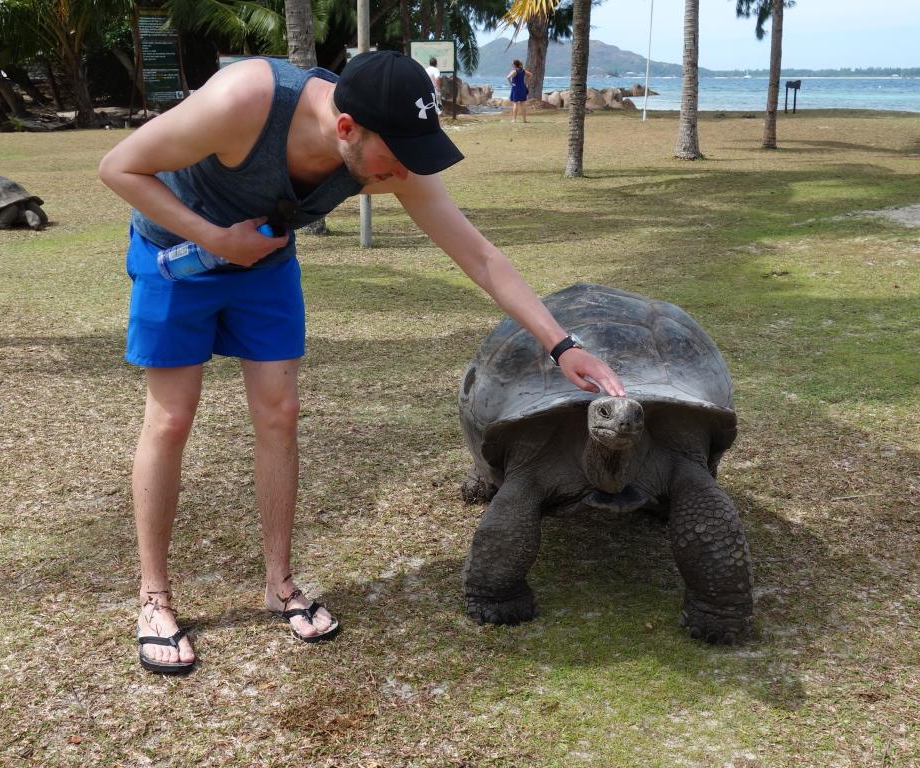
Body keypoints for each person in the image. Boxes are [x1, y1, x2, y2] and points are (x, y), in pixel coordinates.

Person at [99, 50, 624, 675]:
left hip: (263, 265)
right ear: (346, 127)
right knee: (172, 417)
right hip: (176, 254)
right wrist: (216, 240)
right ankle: (154, 597)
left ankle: (279, 583)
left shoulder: (389, 153)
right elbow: (119, 166)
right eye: (396, 152)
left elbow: (478, 255)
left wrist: (563, 346)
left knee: (279, 414)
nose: (404, 168)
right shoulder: (244, 100)